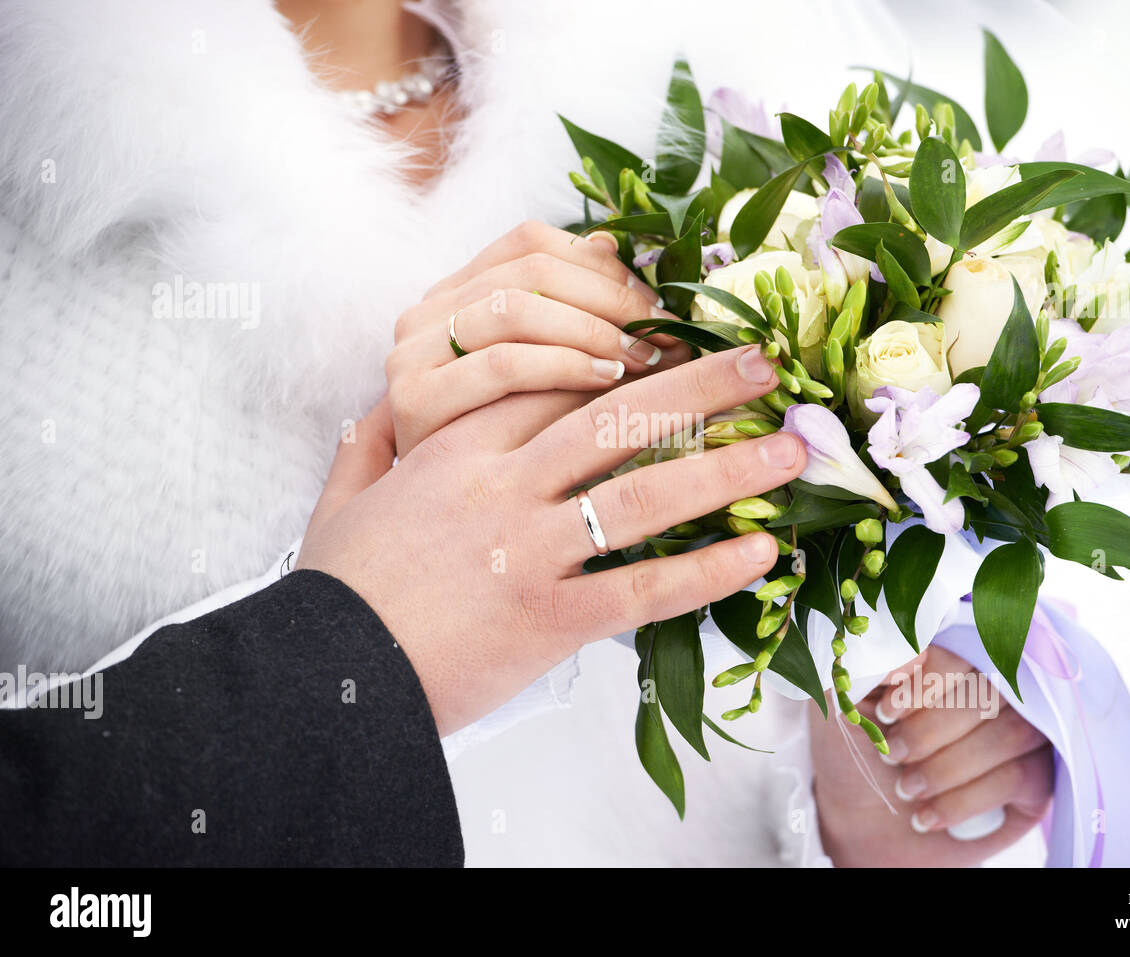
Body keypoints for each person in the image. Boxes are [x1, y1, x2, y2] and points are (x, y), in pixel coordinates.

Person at [0, 0, 1052, 865]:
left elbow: (744, 744)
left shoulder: (722, 92)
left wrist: (848, 816)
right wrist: (348, 629)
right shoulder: (42, 200)